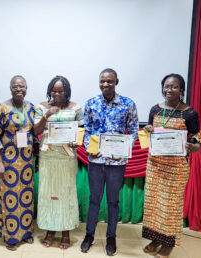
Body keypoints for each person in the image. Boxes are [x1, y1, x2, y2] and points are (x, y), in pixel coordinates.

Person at [141, 74, 201, 258]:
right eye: (166, 86)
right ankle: (156, 238)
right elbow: (150, 130)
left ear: (181, 89)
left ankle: (169, 244)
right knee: (154, 205)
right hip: (155, 165)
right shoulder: (155, 109)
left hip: (176, 168)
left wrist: (194, 146)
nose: (169, 90)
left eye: (174, 86)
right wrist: (147, 129)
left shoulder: (189, 113)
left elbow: (198, 136)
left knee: (170, 207)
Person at [81, 68, 138, 256]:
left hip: (117, 163)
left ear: (116, 82)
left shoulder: (128, 104)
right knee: (94, 200)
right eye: (102, 81)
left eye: (110, 81)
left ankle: (111, 238)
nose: (106, 84)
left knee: (113, 202)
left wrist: (123, 151)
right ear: (99, 82)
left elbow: (134, 131)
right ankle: (89, 236)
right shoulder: (91, 103)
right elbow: (87, 130)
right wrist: (91, 148)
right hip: (96, 161)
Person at [33, 75, 83, 250]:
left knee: (66, 193)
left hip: (67, 157)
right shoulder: (42, 107)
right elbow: (36, 130)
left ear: (66, 91)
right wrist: (47, 115)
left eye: (61, 90)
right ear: (49, 91)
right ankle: (49, 230)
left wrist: (76, 141)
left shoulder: (76, 108)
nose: (57, 93)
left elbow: (82, 131)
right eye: (54, 90)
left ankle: (66, 232)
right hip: (48, 156)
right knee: (48, 193)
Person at [0, 75, 35, 251]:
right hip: (8, 161)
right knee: (10, 199)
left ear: (27, 88)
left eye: (22, 86)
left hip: (27, 162)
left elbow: (34, 133)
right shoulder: (1, 108)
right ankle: (11, 237)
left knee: (26, 198)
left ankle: (26, 232)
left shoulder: (31, 107)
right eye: (15, 87)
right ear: (10, 89)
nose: (19, 89)